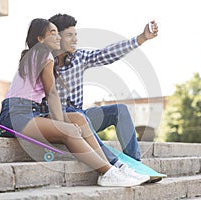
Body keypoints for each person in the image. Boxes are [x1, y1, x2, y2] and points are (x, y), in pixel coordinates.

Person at [0, 18, 150, 187]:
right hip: (16, 113)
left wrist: (140, 38)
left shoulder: (42, 56)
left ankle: (116, 166)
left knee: (79, 119)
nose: (58, 37)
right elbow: (51, 94)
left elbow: (105, 54)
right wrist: (61, 125)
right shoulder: (43, 54)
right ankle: (107, 172)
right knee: (70, 130)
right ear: (40, 39)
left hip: (31, 112)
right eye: (53, 33)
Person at [49, 14, 158, 167]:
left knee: (120, 110)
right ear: (56, 37)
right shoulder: (44, 62)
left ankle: (135, 164)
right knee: (77, 115)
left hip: (81, 117)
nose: (75, 39)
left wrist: (141, 38)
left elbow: (107, 53)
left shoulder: (78, 57)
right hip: (56, 121)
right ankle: (113, 165)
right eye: (69, 35)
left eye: (75, 35)